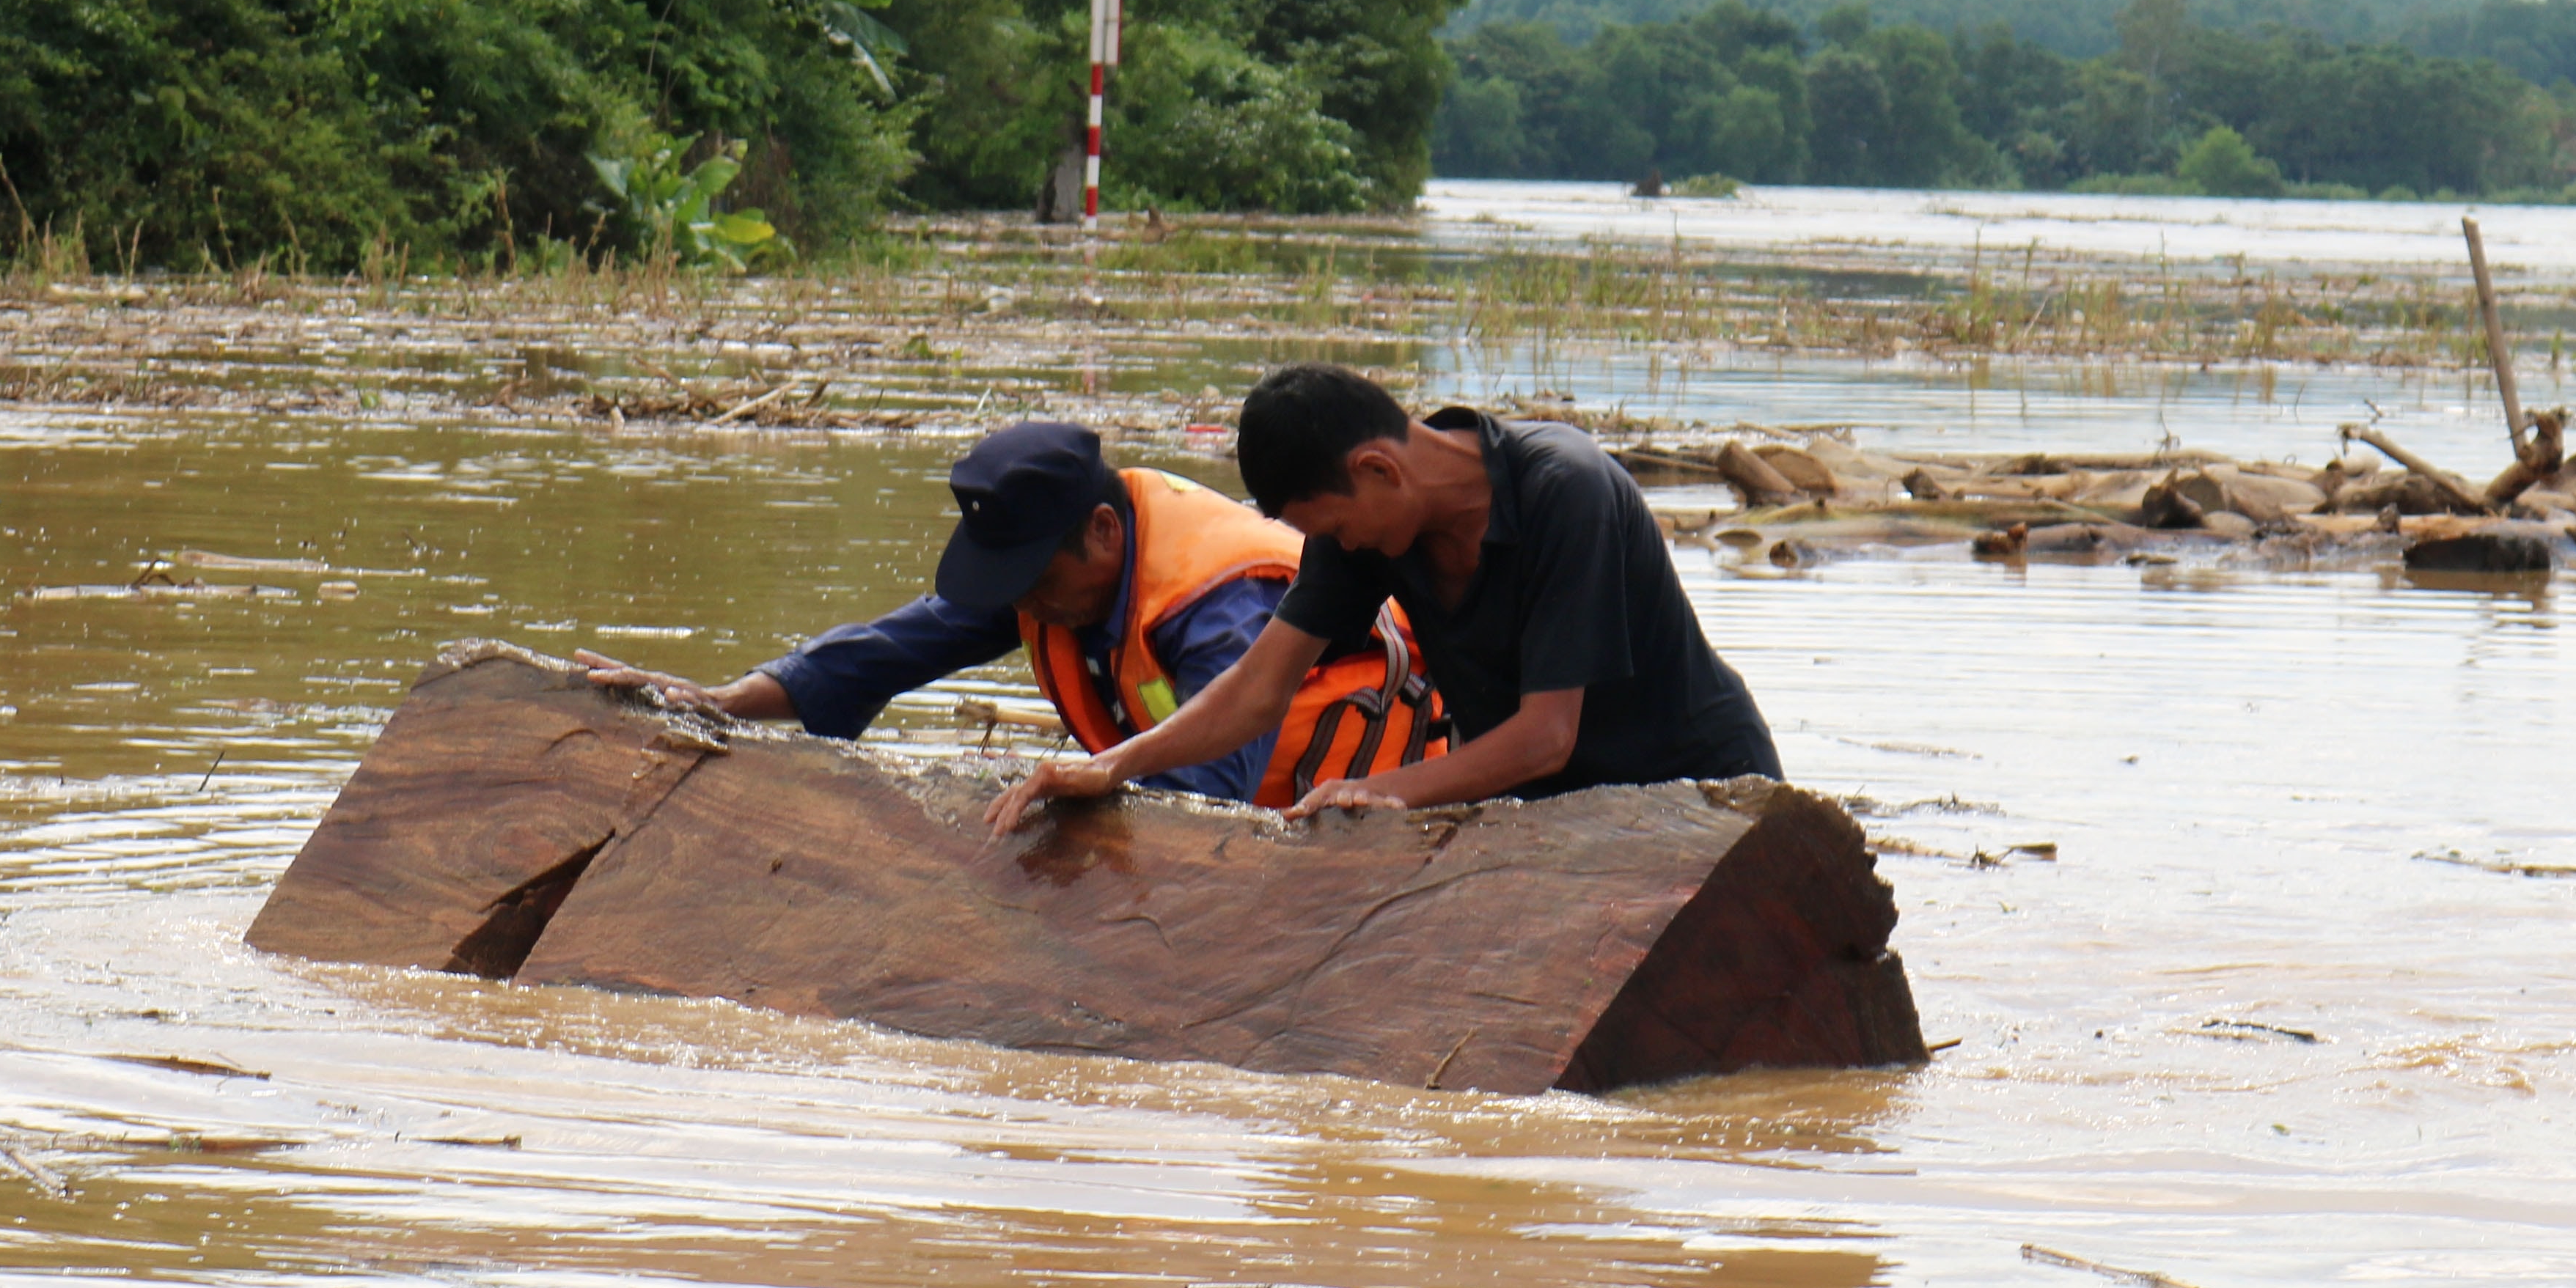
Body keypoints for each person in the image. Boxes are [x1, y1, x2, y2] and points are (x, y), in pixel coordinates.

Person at [988, 365, 1779, 833]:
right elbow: (1261, 687)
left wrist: (1374, 791)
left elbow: (1546, 737)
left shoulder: (1566, 492)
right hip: (1562, 817)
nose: (1344, 548)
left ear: (1379, 470)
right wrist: (1115, 766)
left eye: (1338, 529)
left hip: (1701, 794)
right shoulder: (1365, 533)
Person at [581, 419, 1445, 808]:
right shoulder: (1062, 585)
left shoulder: (1219, 601)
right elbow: (887, 649)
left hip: (1358, 804)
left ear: (1105, 534)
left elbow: (1211, 797)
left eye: (1032, 582)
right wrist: (720, 702)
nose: (1022, 607)